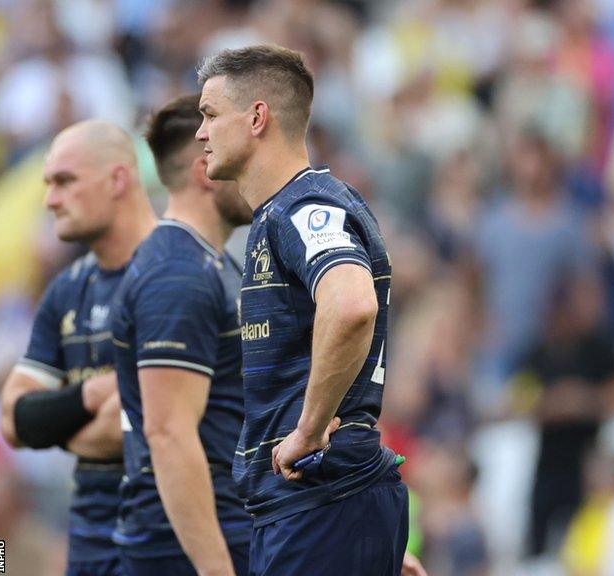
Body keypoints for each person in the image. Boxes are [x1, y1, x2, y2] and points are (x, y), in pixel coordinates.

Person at [195, 44, 409, 575]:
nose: (200, 133)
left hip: (319, 502)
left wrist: (310, 430)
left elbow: (353, 304)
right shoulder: (281, 213)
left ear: (258, 117)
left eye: (210, 114)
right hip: (319, 509)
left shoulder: (304, 207)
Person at [0, 120, 157, 576]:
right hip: (85, 534)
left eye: (64, 182)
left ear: (118, 180)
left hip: (162, 537)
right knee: (0, 561)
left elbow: (122, 429)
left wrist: (51, 424)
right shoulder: (65, 289)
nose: (49, 200)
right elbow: (13, 419)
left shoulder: (176, 276)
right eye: (48, 184)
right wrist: (92, 394)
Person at [110, 94, 253, 575]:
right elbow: (169, 433)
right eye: (241, 155)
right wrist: (216, 570)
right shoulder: (177, 274)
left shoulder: (212, 262)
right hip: (187, 550)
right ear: (202, 168)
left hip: (226, 530)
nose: (254, 171)